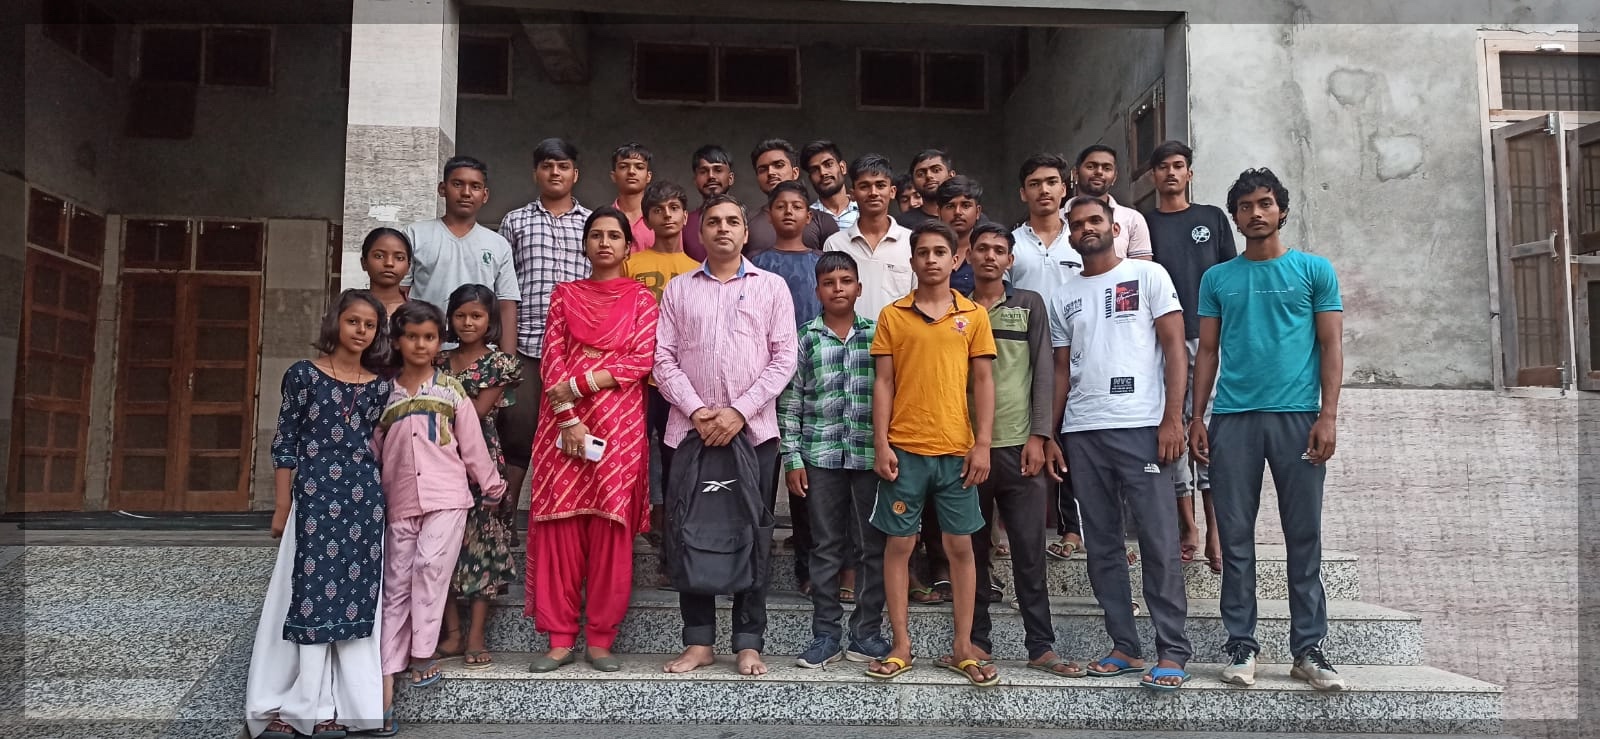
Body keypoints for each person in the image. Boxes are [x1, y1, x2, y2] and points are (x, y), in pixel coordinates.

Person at [1190, 168, 1346, 691]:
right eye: (1245, 206)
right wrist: (1196, 416)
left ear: (1281, 209)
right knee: (1235, 537)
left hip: (1298, 417)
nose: (1255, 213)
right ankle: (1241, 644)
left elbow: (1331, 345)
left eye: (1265, 203)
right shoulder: (1218, 279)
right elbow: (1207, 351)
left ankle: (1309, 649)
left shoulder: (1314, 270)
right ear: (1234, 217)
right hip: (1233, 419)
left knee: (1304, 535)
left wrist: (1328, 416)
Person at [1050, 195, 1193, 690]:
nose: (1086, 228)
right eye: (1077, 224)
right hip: (1082, 431)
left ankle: (1172, 650)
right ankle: (1125, 647)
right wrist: (1050, 433)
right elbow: (1061, 370)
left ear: (1115, 228)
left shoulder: (1148, 276)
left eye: (1095, 220)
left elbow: (1175, 349)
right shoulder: (1064, 295)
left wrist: (1172, 419)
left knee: (1158, 540)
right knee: (1102, 545)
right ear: (1070, 235)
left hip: (1143, 426)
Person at [654, 194, 798, 676]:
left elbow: (784, 358)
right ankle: (698, 641)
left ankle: (748, 641)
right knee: (686, 528)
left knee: (752, 531)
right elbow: (662, 358)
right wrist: (697, 411)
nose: (722, 229)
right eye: (713, 221)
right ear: (700, 232)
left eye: (732, 221)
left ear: (744, 231)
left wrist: (738, 411)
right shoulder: (679, 288)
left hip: (753, 433)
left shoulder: (771, 287)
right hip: (688, 433)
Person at [247, 290, 391, 739]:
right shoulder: (303, 375)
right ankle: (301, 705)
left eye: (370, 325)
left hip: (362, 504)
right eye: (353, 321)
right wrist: (282, 505)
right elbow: (284, 442)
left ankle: (349, 707)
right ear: (335, 322)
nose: (361, 331)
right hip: (313, 500)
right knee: (309, 597)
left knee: (355, 600)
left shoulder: (380, 386)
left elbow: (377, 447)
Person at [525, 206, 660, 673]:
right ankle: (560, 638)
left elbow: (641, 360)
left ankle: (601, 639)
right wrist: (567, 417)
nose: (604, 243)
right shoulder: (564, 296)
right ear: (584, 244)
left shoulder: (642, 300)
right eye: (596, 235)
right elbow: (551, 359)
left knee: (609, 527)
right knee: (560, 526)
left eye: (613, 236)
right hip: (562, 425)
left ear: (628, 246)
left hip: (619, 425)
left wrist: (581, 385)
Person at [866, 221, 998, 687]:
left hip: (957, 451)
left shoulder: (973, 315)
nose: (932, 260)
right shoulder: (893, 315)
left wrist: (982, 443)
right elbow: (883, 383)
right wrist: (880, 443)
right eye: (923, 252)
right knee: (899, 546)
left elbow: (983, 381)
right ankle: (901, 645)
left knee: (961, 547)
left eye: (940, 252)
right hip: (905, 450)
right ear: (912, 260)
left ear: (954, 259)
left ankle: (963, 646)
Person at [377, 301, 505, 727]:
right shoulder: (385, 394)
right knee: (396, 583)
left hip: (447, 499)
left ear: (439, 342)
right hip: (400, 503)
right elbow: (374, 451)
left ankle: (422, 652)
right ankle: (385, 679)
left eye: (429, 337)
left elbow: (473, 446)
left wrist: (492, 486)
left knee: (430, 567)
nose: (421, 345)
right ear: (397, 341)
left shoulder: (451, 391)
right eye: (412, 337)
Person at [961, 222, 1081, 678]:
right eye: (982, 249)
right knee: (973, 551)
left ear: (1010, 260)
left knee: (1030, 550)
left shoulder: (1029, 304)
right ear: (968, 256)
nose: (990, 256)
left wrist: (1040, 435)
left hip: (1020, 446)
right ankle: (977, 640)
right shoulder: (957, 308)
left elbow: (1045, 371)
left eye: (999, 250)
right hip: (968, 449)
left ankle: (1041, 646)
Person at [779, 252, 889, 668]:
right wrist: (792, 458)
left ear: (859, 288)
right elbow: (792, 402)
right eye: (829, 282)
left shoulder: (879, 335)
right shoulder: (805, 338)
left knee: (871, 546)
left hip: (869, 457)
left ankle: (866, 633)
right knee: (825, 547)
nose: (837, 288)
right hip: (820, 456)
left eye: (845, 281)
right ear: (817, 290)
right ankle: (825, 635)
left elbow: (893, 393)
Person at [1144, 140, 1237, 571]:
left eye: (1178, 166)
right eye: (1163, 167)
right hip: (1163, 339)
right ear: (1153, 175)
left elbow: (1230, 276)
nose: (1171, 173)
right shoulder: (1144, 224)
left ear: (1190, 173)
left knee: (1210, 430)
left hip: (1209, 337)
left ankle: (1217, 529)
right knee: (1173, 429)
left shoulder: (1212, 218)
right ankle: (1188, 525)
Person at [499, 138, 593, 520]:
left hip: (577, 353)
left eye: (563, 165)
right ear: (536, 172)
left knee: (576, 437)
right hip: (527, 346)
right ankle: (504, 523)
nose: (555, 172)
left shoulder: (591, 224)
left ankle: (569, 520)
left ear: (575, 174)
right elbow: (503, 286)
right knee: (517, 437)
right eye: (547, 165)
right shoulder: (514, 222)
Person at [436, 284, 523, 670]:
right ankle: (453, 632)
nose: (468, 322)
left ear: (490, 321)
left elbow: (473, 412)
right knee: (442, 544)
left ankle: (475, 635)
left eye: (476, 316)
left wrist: (437, 402)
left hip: (480, 461)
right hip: (438, 460)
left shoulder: (500, 364)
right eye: (460, 315)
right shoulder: (437, 359)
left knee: (482, 544)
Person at [1008, 153, 1086, 563]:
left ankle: (1073, 528)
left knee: (1072, 439)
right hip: (1027, 356)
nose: (1044, 190)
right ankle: (1021, 529)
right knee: (1034, 436)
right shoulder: (1012, 244)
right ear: (1023, 192)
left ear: (1064, 187)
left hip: (1081, 354)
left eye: (1052, 182)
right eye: (1035, 183)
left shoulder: (1082, 237)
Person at [752, 180, 823, 595]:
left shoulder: (821, 263)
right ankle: (752, 564)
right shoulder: (757, 264)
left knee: (803, 475)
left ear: (809, 216)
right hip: (761, 380)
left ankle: (808, 566)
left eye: (797, 206)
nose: (789, 213)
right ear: (769, 214)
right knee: (760, 475)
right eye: (781, 206)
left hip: (811, 380)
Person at [626, 181, 702, 552]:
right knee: (632, 455)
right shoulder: (631, 265)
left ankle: (674, 542)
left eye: (674, 208)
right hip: (637, 378)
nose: (667, 215)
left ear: (686, 216)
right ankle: (632, 529)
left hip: (681, 380)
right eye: (658, 209)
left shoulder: (698, 270)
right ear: (647, 219)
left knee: (677, 459)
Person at [401, 156, 519, 334]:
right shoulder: (414, 235)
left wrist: (508, 352)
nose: (466, 193)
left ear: (485, 195)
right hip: (423, 344)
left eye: (475, 186)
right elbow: (399, 294)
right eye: (457, 184)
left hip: (478, 348)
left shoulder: (498, 244)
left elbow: (506, 304)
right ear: (442, 188)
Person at [823, 154, 915, 322]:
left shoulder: (911, 242)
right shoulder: (835, 244)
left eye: (880, 185)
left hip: (899, 337)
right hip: (849, 338)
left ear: (892, 191)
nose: (873, 193)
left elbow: (919, 301)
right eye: (864, 186)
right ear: (853, 194)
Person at [745, 139, 838, 257]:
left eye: (778, 165)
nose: (770, 172)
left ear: (795, 173)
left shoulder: (822, 221)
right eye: (763, 169)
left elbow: (836, 265)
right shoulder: (746, 221)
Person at [1070, 145, 1152, 260]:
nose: (1099, 172)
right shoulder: (1058, 218)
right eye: (1091, 167)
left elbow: (1142, 267)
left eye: (1107, 168)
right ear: (1075, 173)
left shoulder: (1132, 219)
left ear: (1114, 178)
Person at [683, 144, 735, 261]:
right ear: (695, 180)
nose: (711, 176)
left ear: (730, 178)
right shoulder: (684, 224)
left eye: (718, 170)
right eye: (703, 171)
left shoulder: (746, 220)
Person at [935, 175, 985, 294]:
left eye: (965, 205)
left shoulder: (989, 252)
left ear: (978, 212)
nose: (957, 212)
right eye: (950, 206)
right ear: (939, 213)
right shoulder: (928, 250)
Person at [801, 140, 859, 230]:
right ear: (810, 179)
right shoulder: (806, 218)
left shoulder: (866, 210)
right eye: (814, 170)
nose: (823, 173)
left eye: (828, 165)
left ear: (842, 167)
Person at [609, 142, 656, 251]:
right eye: (623, 167)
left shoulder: (662, 218)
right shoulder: (603, 219)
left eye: (639, 167)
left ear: (648, 176)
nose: (631, 172)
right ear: (613, 176)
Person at [361, 227, 412, 318]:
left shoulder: (420, 314)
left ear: (408, 266)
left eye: (399, 258)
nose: (389, 263)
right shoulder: (346, 308)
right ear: (364, 263)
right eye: (379, 256)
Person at [896, 149, 955, 228]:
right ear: (913, 181)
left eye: (936, 170)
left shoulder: (966, 216)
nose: (929, 176)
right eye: (920, 174)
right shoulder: (901, 225)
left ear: (951, 175)